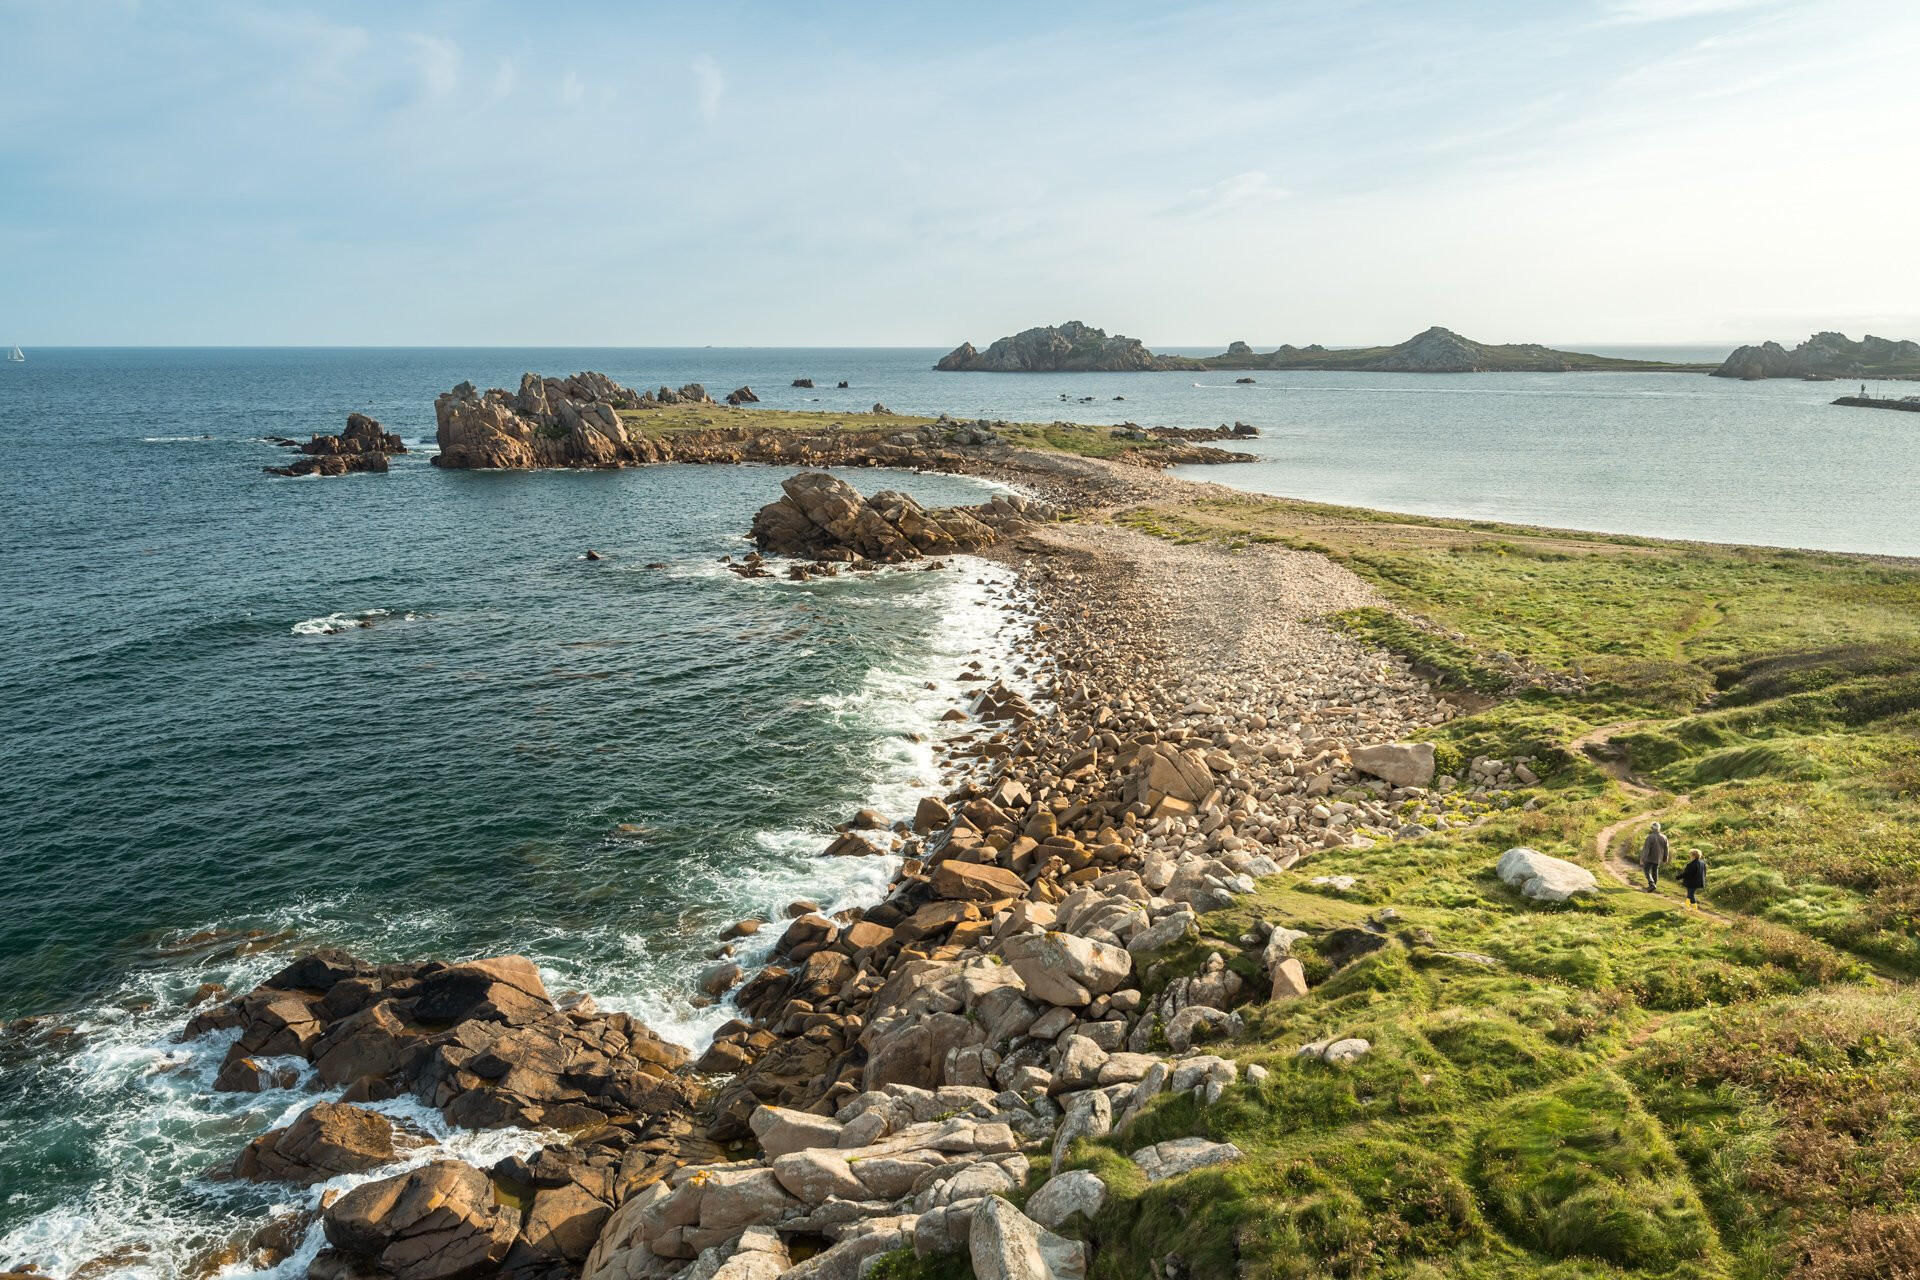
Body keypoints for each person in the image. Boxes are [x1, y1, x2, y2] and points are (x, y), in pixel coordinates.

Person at [1640, 821, 1670, 890]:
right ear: (1659, 829)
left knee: (1646, 870)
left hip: (1650, 857)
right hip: (1658, 858)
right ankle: (1653, 886)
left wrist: (1642, 859)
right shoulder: (1664, 837)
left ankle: (1651, 883)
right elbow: (1666, 849)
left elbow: (1646, 849)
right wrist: (1665, 858)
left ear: (1652, 828)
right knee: (1655, 871)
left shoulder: (1650, 837)